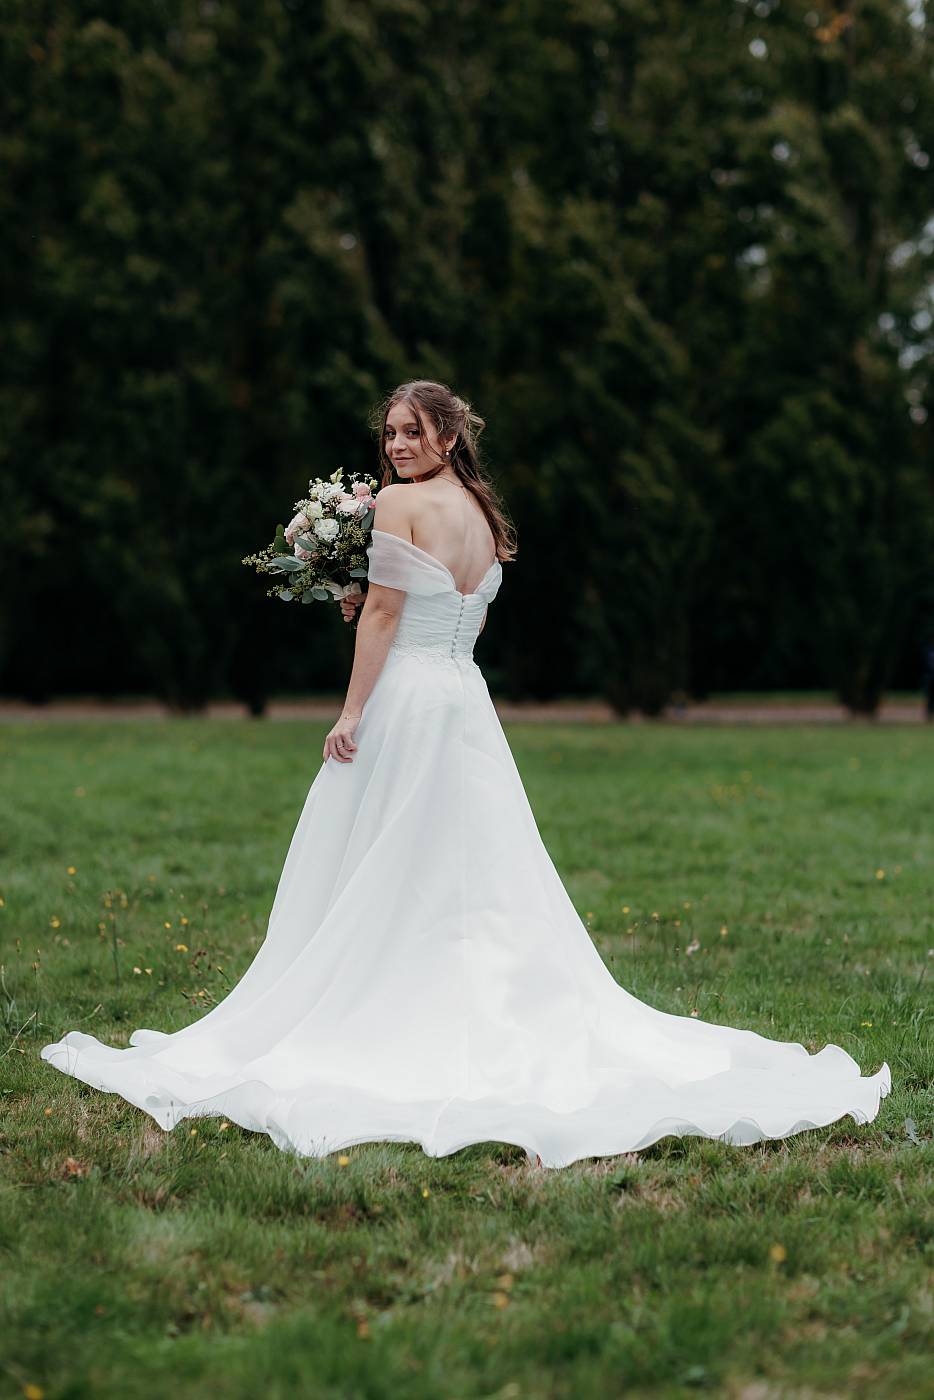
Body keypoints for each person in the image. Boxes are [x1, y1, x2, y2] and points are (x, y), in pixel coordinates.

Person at [40, 380, 891, 1169]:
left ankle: (383, 1001)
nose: (399, 444)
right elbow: (434, 606)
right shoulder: (482, 513)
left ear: (448, 434)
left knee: (386, 857)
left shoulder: (402, 505)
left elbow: (384, 613)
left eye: (414, 431)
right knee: (471, 864)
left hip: (409, 698)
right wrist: (370, 596)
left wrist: (348, 713)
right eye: (390, 433)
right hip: (463, 699)